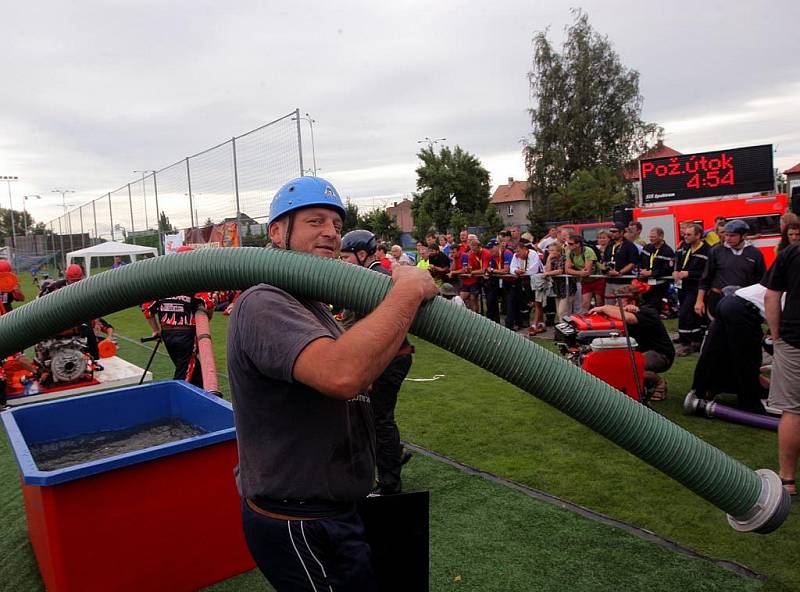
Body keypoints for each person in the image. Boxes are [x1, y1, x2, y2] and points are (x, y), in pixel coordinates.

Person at [227, 176, 437, 590]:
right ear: (277, 232)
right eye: (315, 221)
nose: (330, 233)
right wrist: (407, 292)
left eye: (337, 226)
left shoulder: (308, 302)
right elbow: (342, 374)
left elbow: (352, 379)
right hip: (299, 520)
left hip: (334, 509)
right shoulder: (265, 301)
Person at [339, 229, 415, 496]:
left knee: (379, 420)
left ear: (361, 254)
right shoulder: (374, 274)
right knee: (375, 419)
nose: (342, 262)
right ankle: (394, 456)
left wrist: (369, 371)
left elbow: (378, 331)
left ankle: (390, 484)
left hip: (389, 358)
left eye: (345, 257)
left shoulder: (373, 279)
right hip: (391, 357)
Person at [688, 284, 771, 414]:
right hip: (744, 309)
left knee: (714, 351)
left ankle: (699, 390)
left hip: (730, 301)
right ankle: (749, 403)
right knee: (748, 357)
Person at [141, 247, 214, 388]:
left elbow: (147, 309)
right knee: (184, 374)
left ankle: (203, 392)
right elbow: (208, 303)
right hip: (187, 334)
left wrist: (155, 330)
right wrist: (206, 316)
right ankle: (177, 401)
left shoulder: (162, 282)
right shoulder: (194, 280)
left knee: (191, 370)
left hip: (168, 335)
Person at [589, 283, 674, 400]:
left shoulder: (647, 312)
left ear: (632, 302)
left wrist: (604, 308)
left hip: (661, 354)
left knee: (628, 365)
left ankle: (659, 384)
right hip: (643, 352)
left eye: (619, 302)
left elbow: (629, 318)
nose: (615, 305)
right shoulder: (630, 311)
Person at [763, 242, 800, 496]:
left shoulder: (791, 252)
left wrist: (776, 336)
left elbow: (770, 295)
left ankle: (787, 480)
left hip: (794, 338)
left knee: (794, 410)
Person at [696, 219, 766, 320]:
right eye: (726, 235)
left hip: (744, 300)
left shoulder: (755, 254)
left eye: (732, 235)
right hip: (718, 299)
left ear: (743, 236)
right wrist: (699, 301)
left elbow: (761, 281)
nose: (728, 238)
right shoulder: (716, 251)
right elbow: (706, 277)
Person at [673, 223, 710, 355]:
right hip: (682, 286)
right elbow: (677, 261)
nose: (685, 236)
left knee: (686, 313)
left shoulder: (707, 250)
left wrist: (689, 274)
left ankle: (687, 343)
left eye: (689, 234)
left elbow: (707, 272)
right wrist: (676, 271)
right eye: (685, 234)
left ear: (698, 235)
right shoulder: (684, 247)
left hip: (696, 287)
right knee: (686, 313)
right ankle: (693, 340)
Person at [638, 227, 675, 311]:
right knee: (644, 306)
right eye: (650, 237)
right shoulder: (647, 247)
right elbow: (639, 261)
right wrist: (641, 270)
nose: (651, 239)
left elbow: (668, 270)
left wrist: (652, 273)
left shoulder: (667, 251)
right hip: (646, 284)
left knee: (655, 308)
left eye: (653, 237)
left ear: (661, 236)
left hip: (659, 285)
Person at [565, 234, 602, 312]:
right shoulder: (570, 253)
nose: (568, 246)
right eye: (568, 244)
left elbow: (587, 271)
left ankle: (602, 321)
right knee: (585, 304)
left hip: (598, 279)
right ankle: (586, 322)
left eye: (571, 244)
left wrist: (575, 272)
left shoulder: (588, 251)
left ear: (578, 244)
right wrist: (580, 272)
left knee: (599, 303)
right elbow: (567, 270)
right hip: (585, 280)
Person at [605, 222, 640, 297]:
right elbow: (604, 260)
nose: (612, 233)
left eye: (614, 231)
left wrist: (619, 272)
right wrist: (605, 269)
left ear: (622, 232)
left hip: (623, 281)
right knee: (608, 305)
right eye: (611, 231)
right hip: (609, 280)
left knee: (623, 305)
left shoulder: (629, 246)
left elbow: (632, 263)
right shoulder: (610, 245)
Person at [543, 241, 575, 320]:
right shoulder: (552, 259)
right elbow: (547, 270)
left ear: (558, 251)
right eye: (550, 250)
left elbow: (560, 270)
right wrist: (548, 259)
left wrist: (548, 273)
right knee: (559, 312)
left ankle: (567, 329)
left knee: (563, 311)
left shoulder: (563, 258)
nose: (551, 252)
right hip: (557, 288)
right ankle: (562, 328)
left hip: (567, 288)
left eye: (553, 250)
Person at [483, 238, 513, 323]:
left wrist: (492, 270)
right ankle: (494, 321)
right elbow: (488, 269)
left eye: (491, 247)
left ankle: (512, 323)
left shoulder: (507, 253)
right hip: (498, 281)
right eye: (488, 248)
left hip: (510, 281)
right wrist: (488, 272)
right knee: (491, 300)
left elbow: (506, 270)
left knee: (509, 303)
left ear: (497, 246)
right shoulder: (492, 256)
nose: (490, 250)